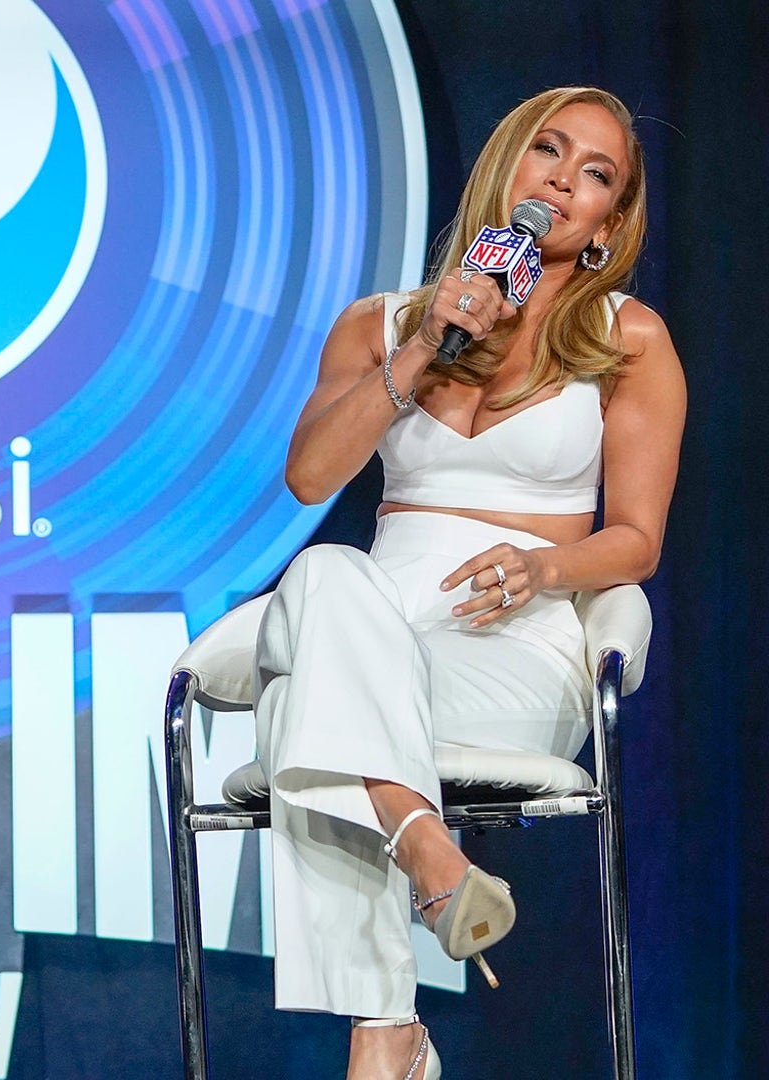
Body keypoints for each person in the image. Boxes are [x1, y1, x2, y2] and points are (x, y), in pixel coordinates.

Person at [266, 86, 684, 1079]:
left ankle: (385, 1023)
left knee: (307, 713)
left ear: (607, 222)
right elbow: (311, 477)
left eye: (597, 176)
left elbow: (634, 539)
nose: (563, 181)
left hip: (511, 637)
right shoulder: (382, 324)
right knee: (327, 570)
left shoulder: (631, 341)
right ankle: (427, 868)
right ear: (507, 164)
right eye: (549, 151)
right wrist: (419, 350)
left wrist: (546, 566)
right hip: (376, 617)